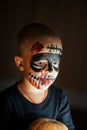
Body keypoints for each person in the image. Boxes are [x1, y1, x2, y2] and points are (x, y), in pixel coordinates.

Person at [0, 23, 75, 130]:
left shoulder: (59, 98)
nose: (49, 70)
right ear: (21, 63)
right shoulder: (7, 101)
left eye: (55, 64)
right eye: (40, 63)